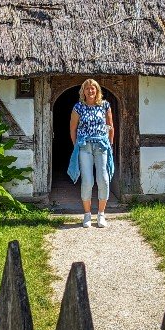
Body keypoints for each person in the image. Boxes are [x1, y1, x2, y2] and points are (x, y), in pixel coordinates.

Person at [67, 78, 115, 228]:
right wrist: (77, 146)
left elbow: (110, 127)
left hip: (101, 146)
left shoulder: (105, 106)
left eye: (93, 88)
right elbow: (72, 129)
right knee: (87, 181)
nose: (90, 91)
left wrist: (110, 144)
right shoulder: (78, 107)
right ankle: (87, 214)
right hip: (85, 146)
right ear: (83, 91)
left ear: (97, 90)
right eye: (87, 88)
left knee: (103, 180)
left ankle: (101, 214)